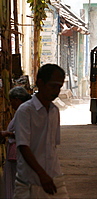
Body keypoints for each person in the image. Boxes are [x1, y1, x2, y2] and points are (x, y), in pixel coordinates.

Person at [13, 64, 69, 198]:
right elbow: (23, 146)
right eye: (52, 86)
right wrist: (42, 175)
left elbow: (52, 147)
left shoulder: (54, 111)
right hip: (30, 182)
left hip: (54, 178)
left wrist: (49, 175)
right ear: (40, 83)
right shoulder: (25, 111)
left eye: (59, 87)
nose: (56, 91)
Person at [1, 87, 31, 199]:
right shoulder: (23, 111)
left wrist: (7, 134)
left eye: (12, 101)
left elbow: (22, 133)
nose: (11, 104)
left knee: (15, 181)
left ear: (17, 100)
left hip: (18, 153)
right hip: (17, 152)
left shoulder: (23, 111)